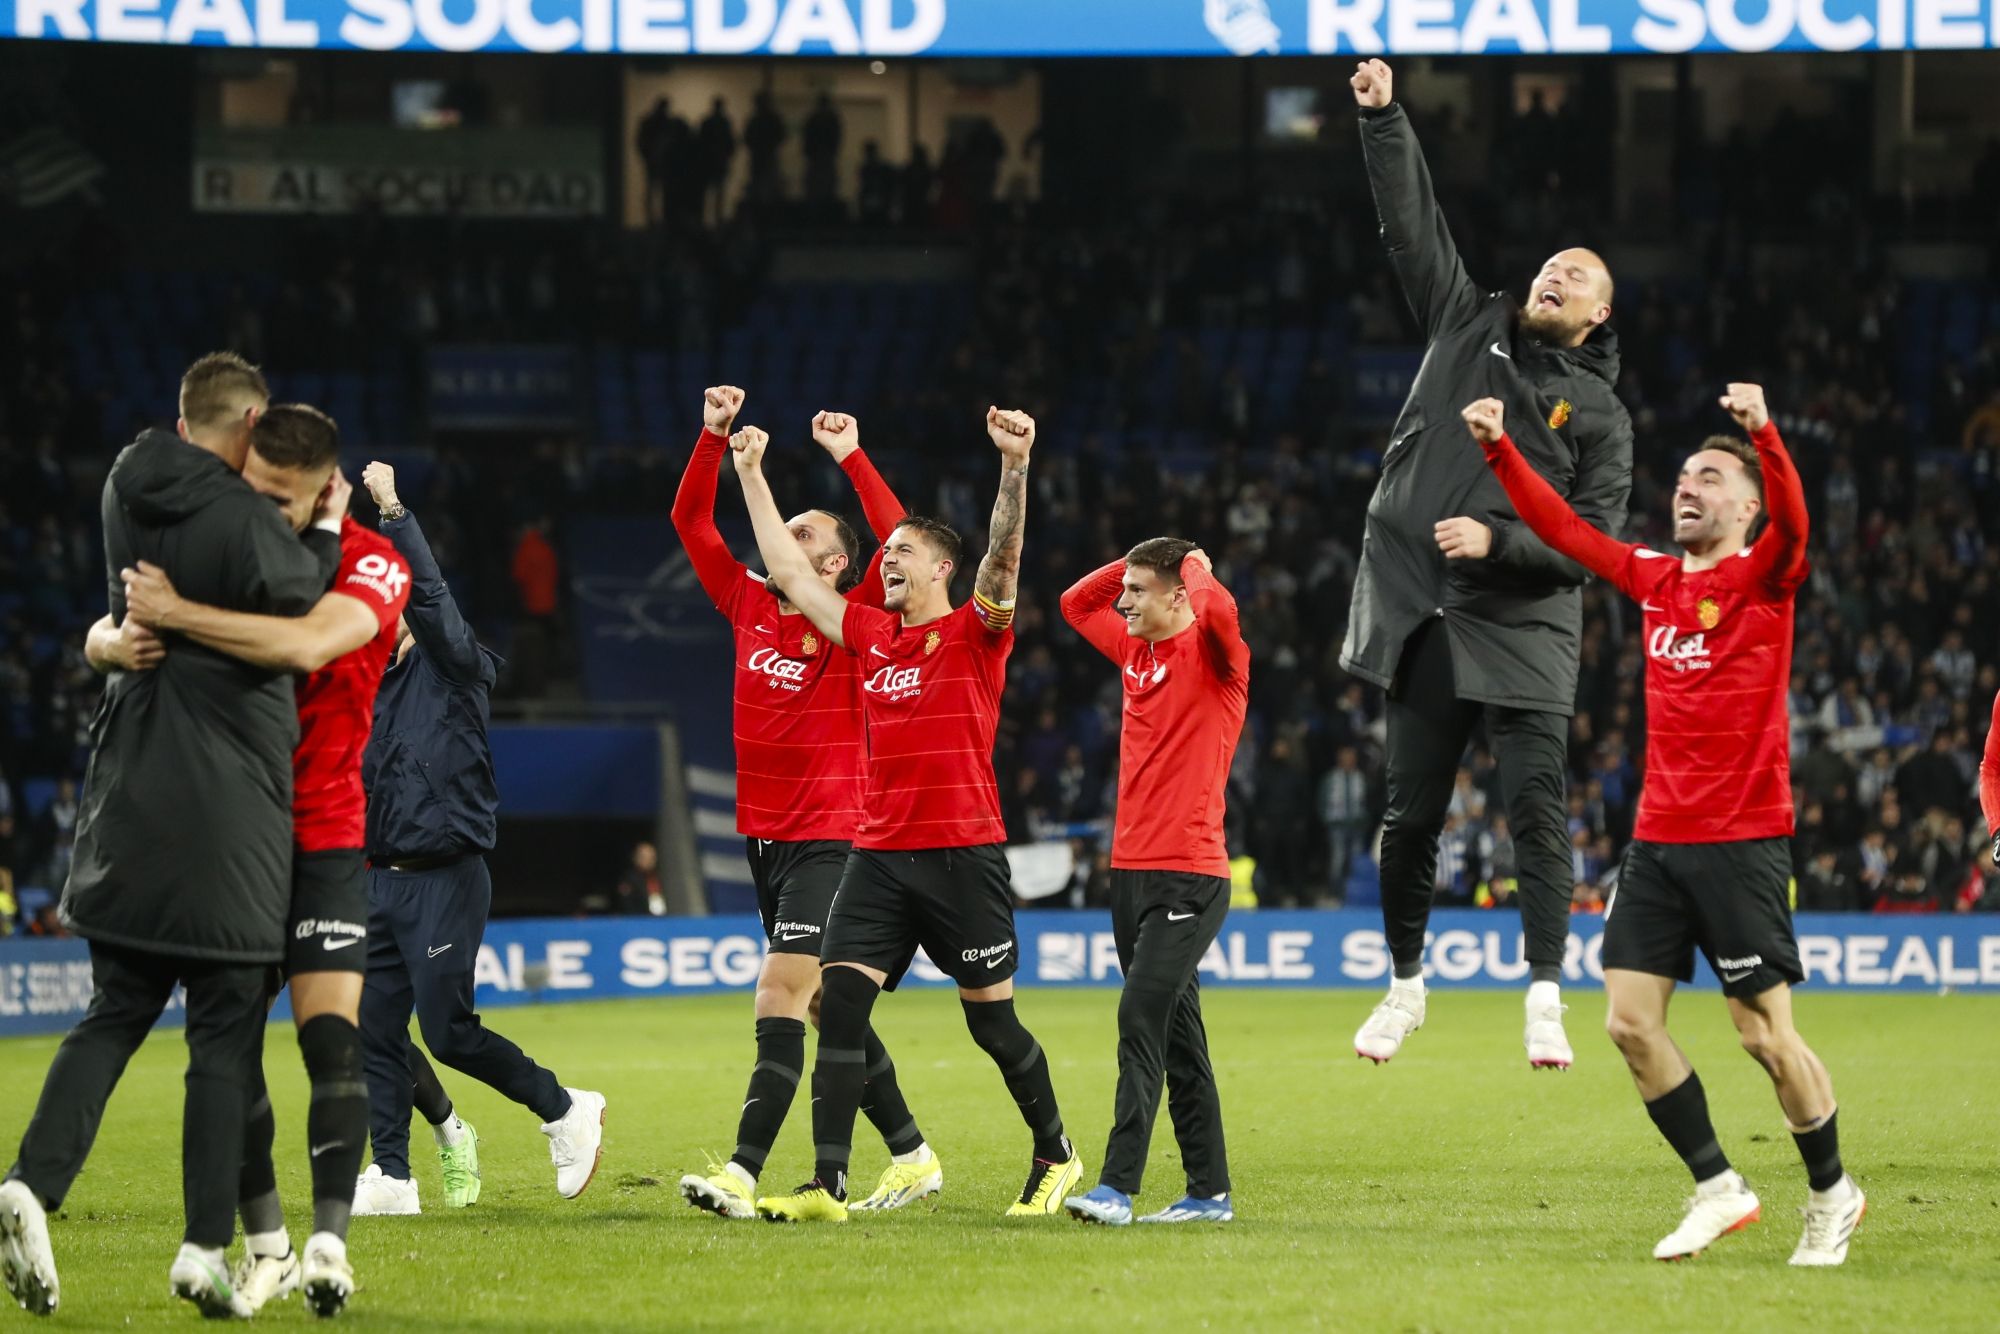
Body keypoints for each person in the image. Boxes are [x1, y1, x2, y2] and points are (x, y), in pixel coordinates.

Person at [1472, 381, 1865, 1265]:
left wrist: (1765, 433)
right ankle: (1720, 1188)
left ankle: (1833, 1193)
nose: (1690, 484)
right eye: (1685, 473)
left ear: (1747, 506)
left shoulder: (1764, 576)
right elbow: (1569, 535)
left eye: (1712, 476)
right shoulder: (1653, 580)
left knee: (1765, 1036)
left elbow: (1798, 528)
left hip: (1743, 841)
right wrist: (1501, 449)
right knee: (1627, 1024)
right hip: (1658, 846)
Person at [0, 354, 342, 1319]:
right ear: (252, 423)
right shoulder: (242, 521)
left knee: (113, 1010)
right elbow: (304, 593)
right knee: (225, 1036)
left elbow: (114, 628)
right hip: (224, 815)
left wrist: (106, 639)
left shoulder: (123, 481)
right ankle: (201, 1245)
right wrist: (321, 523)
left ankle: (31, 1178)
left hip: (123, 803)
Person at [1341, 59, 1634, 1070]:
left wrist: (1498, 541)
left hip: (1522, 623)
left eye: (1579, 276)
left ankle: (1545, 993)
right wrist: (1382, 119)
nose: (1556, 275)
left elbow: (1590, 544)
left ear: (1596, 318)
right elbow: (1409, 222)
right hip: (1424, 606)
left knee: (1532, 817)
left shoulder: (1597, 412)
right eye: (1552, 264)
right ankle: (1404, 985)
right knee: (1406, 813)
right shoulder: (1465, 320)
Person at [731, 409, 1083, 1222]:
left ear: (942, 569)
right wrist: (751, 476)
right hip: (878, 856)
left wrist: (1016, 465)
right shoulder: (869, 636)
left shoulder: (975, 633)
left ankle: (1055, 1151)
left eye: (901, 555)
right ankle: (828, 1184)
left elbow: (1005, 555)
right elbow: (788, 568)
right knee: (839, 1007)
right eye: (883, 554)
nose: (885, 562)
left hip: (962, 855)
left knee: (994, 1029)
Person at [109, 404, 413, 1316]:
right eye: (252, 492)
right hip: (228, 832)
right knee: (227, 1052)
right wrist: (112, 639)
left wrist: (179, 614)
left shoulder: (374, 562)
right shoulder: (228, 547)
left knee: (330, 1038)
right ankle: (268, 1242)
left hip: (322, 830)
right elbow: (118, 634)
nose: (263, 511)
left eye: (281, 498)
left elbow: (307, 643)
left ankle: (329, 1244)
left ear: (325, 489)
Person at [670, 388, 943, 1218]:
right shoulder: (749, 603)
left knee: (780, 991)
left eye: (802, 535)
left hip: (834, 835)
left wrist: (852, 458)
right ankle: (914, 1155)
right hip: (767, 838)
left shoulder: (855, 616)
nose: (782, 540)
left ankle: (743, 1172)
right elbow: (692, 524)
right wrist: (711, 439)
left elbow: (901, 538)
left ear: (833, 567)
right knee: (826, 1003)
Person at [348, 461, 605, 1217]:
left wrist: (393, 510)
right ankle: (392, 1174)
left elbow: (431, 597)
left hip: (445, 876)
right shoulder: (367, 692)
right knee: (375, 1030)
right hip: (378, 878)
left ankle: (563, 1107)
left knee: (449, 1032)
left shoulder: (454, 669)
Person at [1057, 538, 1249, 1227]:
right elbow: (1073, 603)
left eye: (1139, 590)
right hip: (1129, 876)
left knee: (1139, 1015)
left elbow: (1221, 612)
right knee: (1178, 1039)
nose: (1123, 601)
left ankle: (1116, 1186)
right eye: (1127, 589)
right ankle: (1209, 1191)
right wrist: (1139, 558)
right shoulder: (1136, 655)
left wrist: (1192, 560)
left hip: (1190, 876)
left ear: (1177, 597)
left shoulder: (1220, 662)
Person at [615, 842, 664, 917]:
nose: (649, 861)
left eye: (652, 857)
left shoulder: (661, 878)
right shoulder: (629, 880)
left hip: (662, 920)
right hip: (638, 921)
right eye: (644, 857)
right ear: (635, 858)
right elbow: (628, 905)